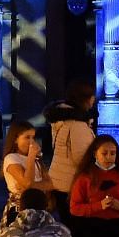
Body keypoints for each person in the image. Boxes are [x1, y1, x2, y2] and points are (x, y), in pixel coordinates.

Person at [45, 83, 97, 221]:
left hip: (59, 180)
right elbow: (81, 158)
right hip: (71, 184)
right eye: (92, 96)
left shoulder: (63, 120)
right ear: (84, 98)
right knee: (77, 226)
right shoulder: (77, 125)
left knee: (69, 223)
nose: (94, 100)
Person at [0, 121, 52, 222]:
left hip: (39, 209)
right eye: (27, 137)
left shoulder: (35, 160)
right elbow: (27, 183)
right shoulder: (11, 158)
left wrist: (33, 185)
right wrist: (31, 156)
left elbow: (50, 184)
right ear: (15, 139)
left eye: (33, 137)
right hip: (20, 210)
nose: (32, 142)